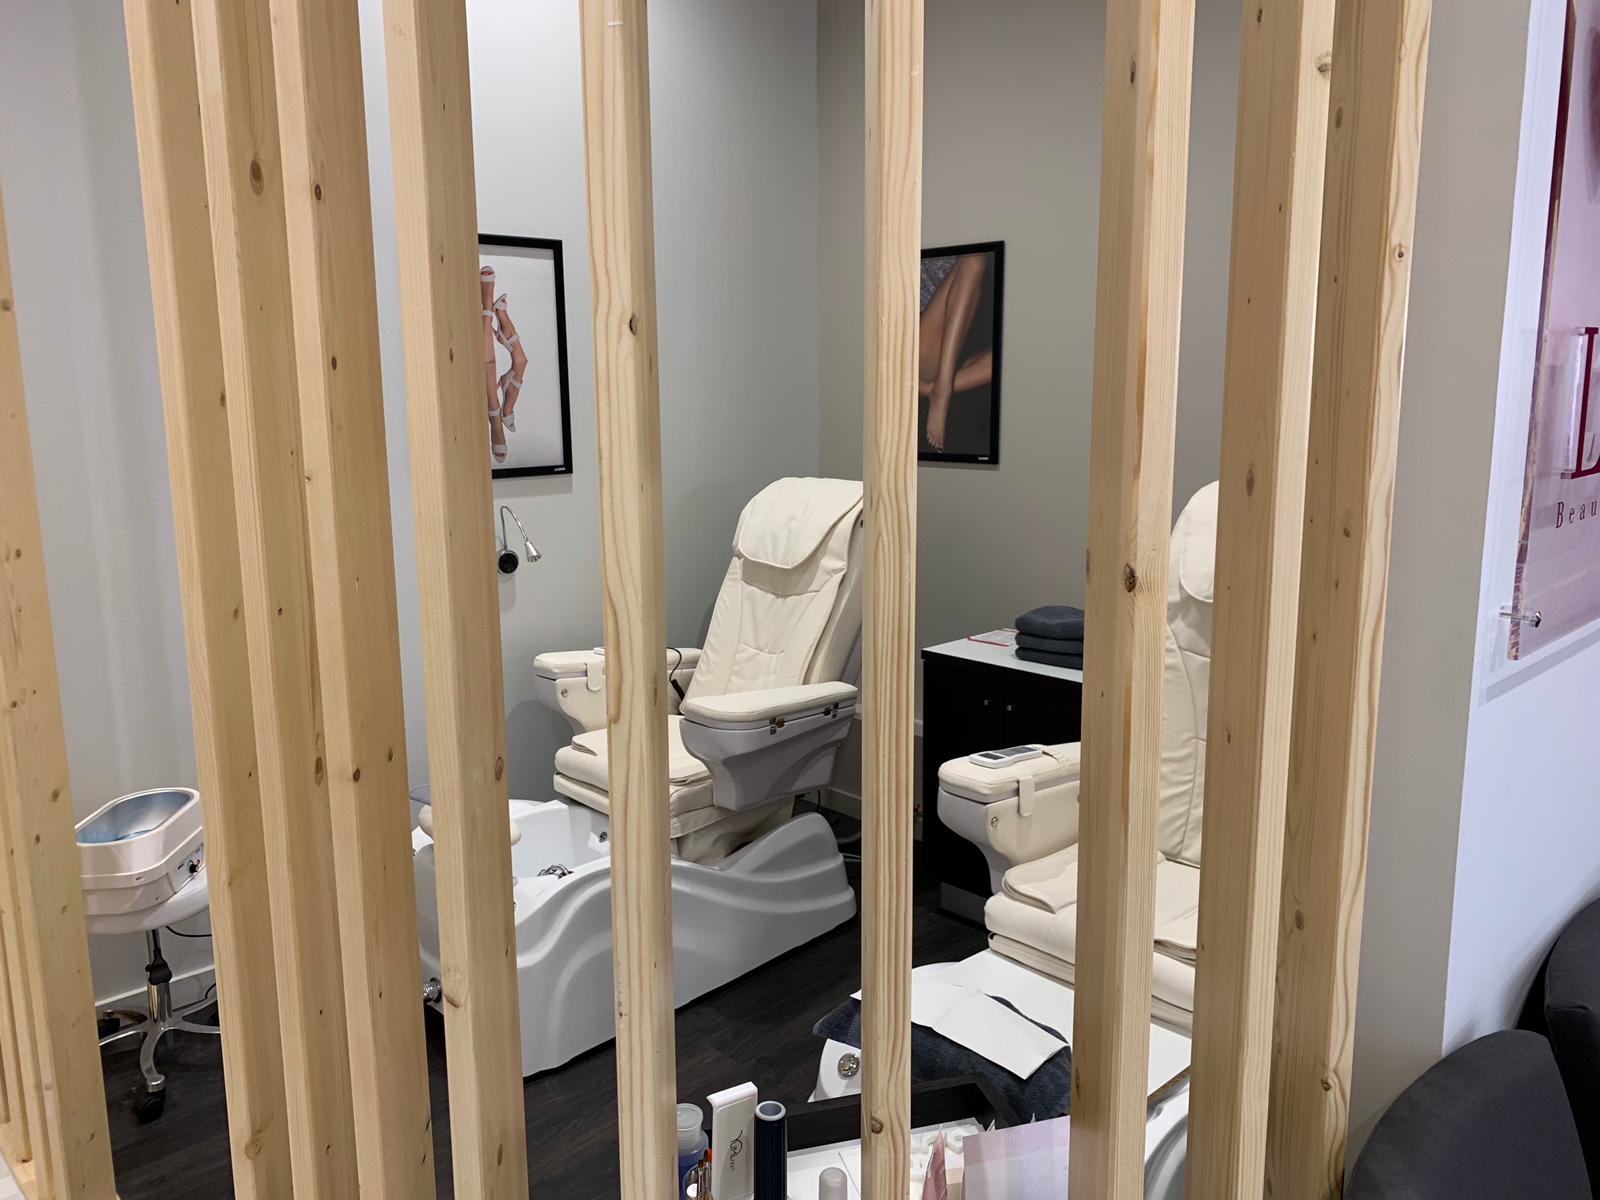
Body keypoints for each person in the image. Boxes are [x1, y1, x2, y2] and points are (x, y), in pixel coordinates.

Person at [919, 253, 993, 452]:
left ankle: (929, 388)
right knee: (974, 259)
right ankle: (942, 389)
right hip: (921, 340)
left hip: (962, 340)